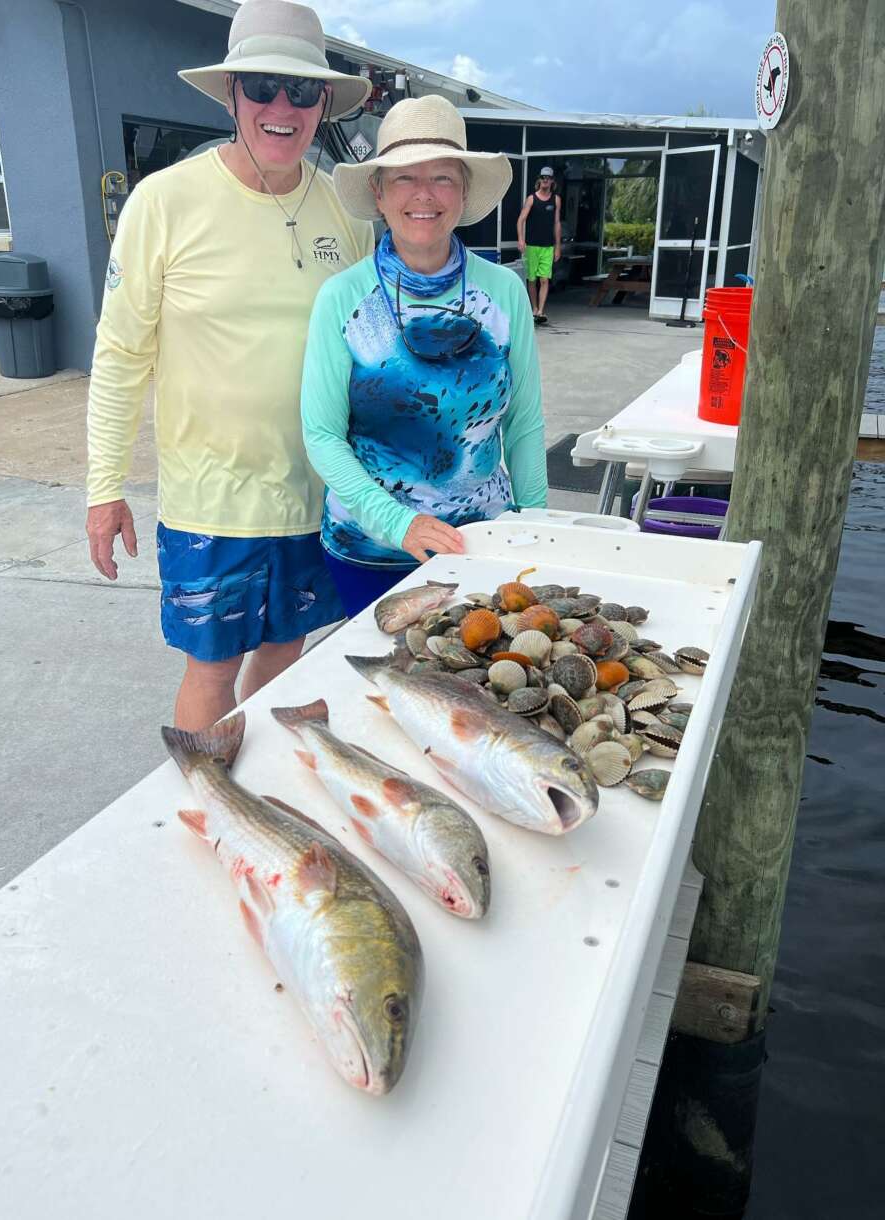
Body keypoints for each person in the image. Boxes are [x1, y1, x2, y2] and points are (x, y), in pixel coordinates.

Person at [85, 0, 373, 731]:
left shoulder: (345, 210)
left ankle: (248, 781)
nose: (284, 107)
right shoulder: (165, 202)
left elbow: (375, 350)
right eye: (263, 88)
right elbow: (120, 355)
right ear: (232, 94)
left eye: (303, 91)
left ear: (322, 103)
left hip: (315, 492)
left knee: (286, 648)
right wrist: (103, 487)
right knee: (211, 667)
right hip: (209, 502)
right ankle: (206, 805)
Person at [300, 95, 548, 618]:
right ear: (379, 192)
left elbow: (524, 423)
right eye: (405, 178)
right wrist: (398, 523)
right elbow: (321, 435)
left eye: (442, 178)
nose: (424, 196)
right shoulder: (343, 298)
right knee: (379, 692)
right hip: (370, 550)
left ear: (463, 192)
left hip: (481, 545)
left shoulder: (504, 291)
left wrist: (536, 528)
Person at [517, 166, 561, 324]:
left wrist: (558, 246)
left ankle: (541, 311)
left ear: (552, 181)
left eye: (548, 178)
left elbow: (556, 223)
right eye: (543, 177)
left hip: (548, 246)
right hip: (532, 246)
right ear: (539, 179)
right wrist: (521, 239)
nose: (545, 180)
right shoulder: (531, 199)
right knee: (531, 280)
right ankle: (534, 309)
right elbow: (521, 219)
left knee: (544, 279)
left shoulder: (555, 199)